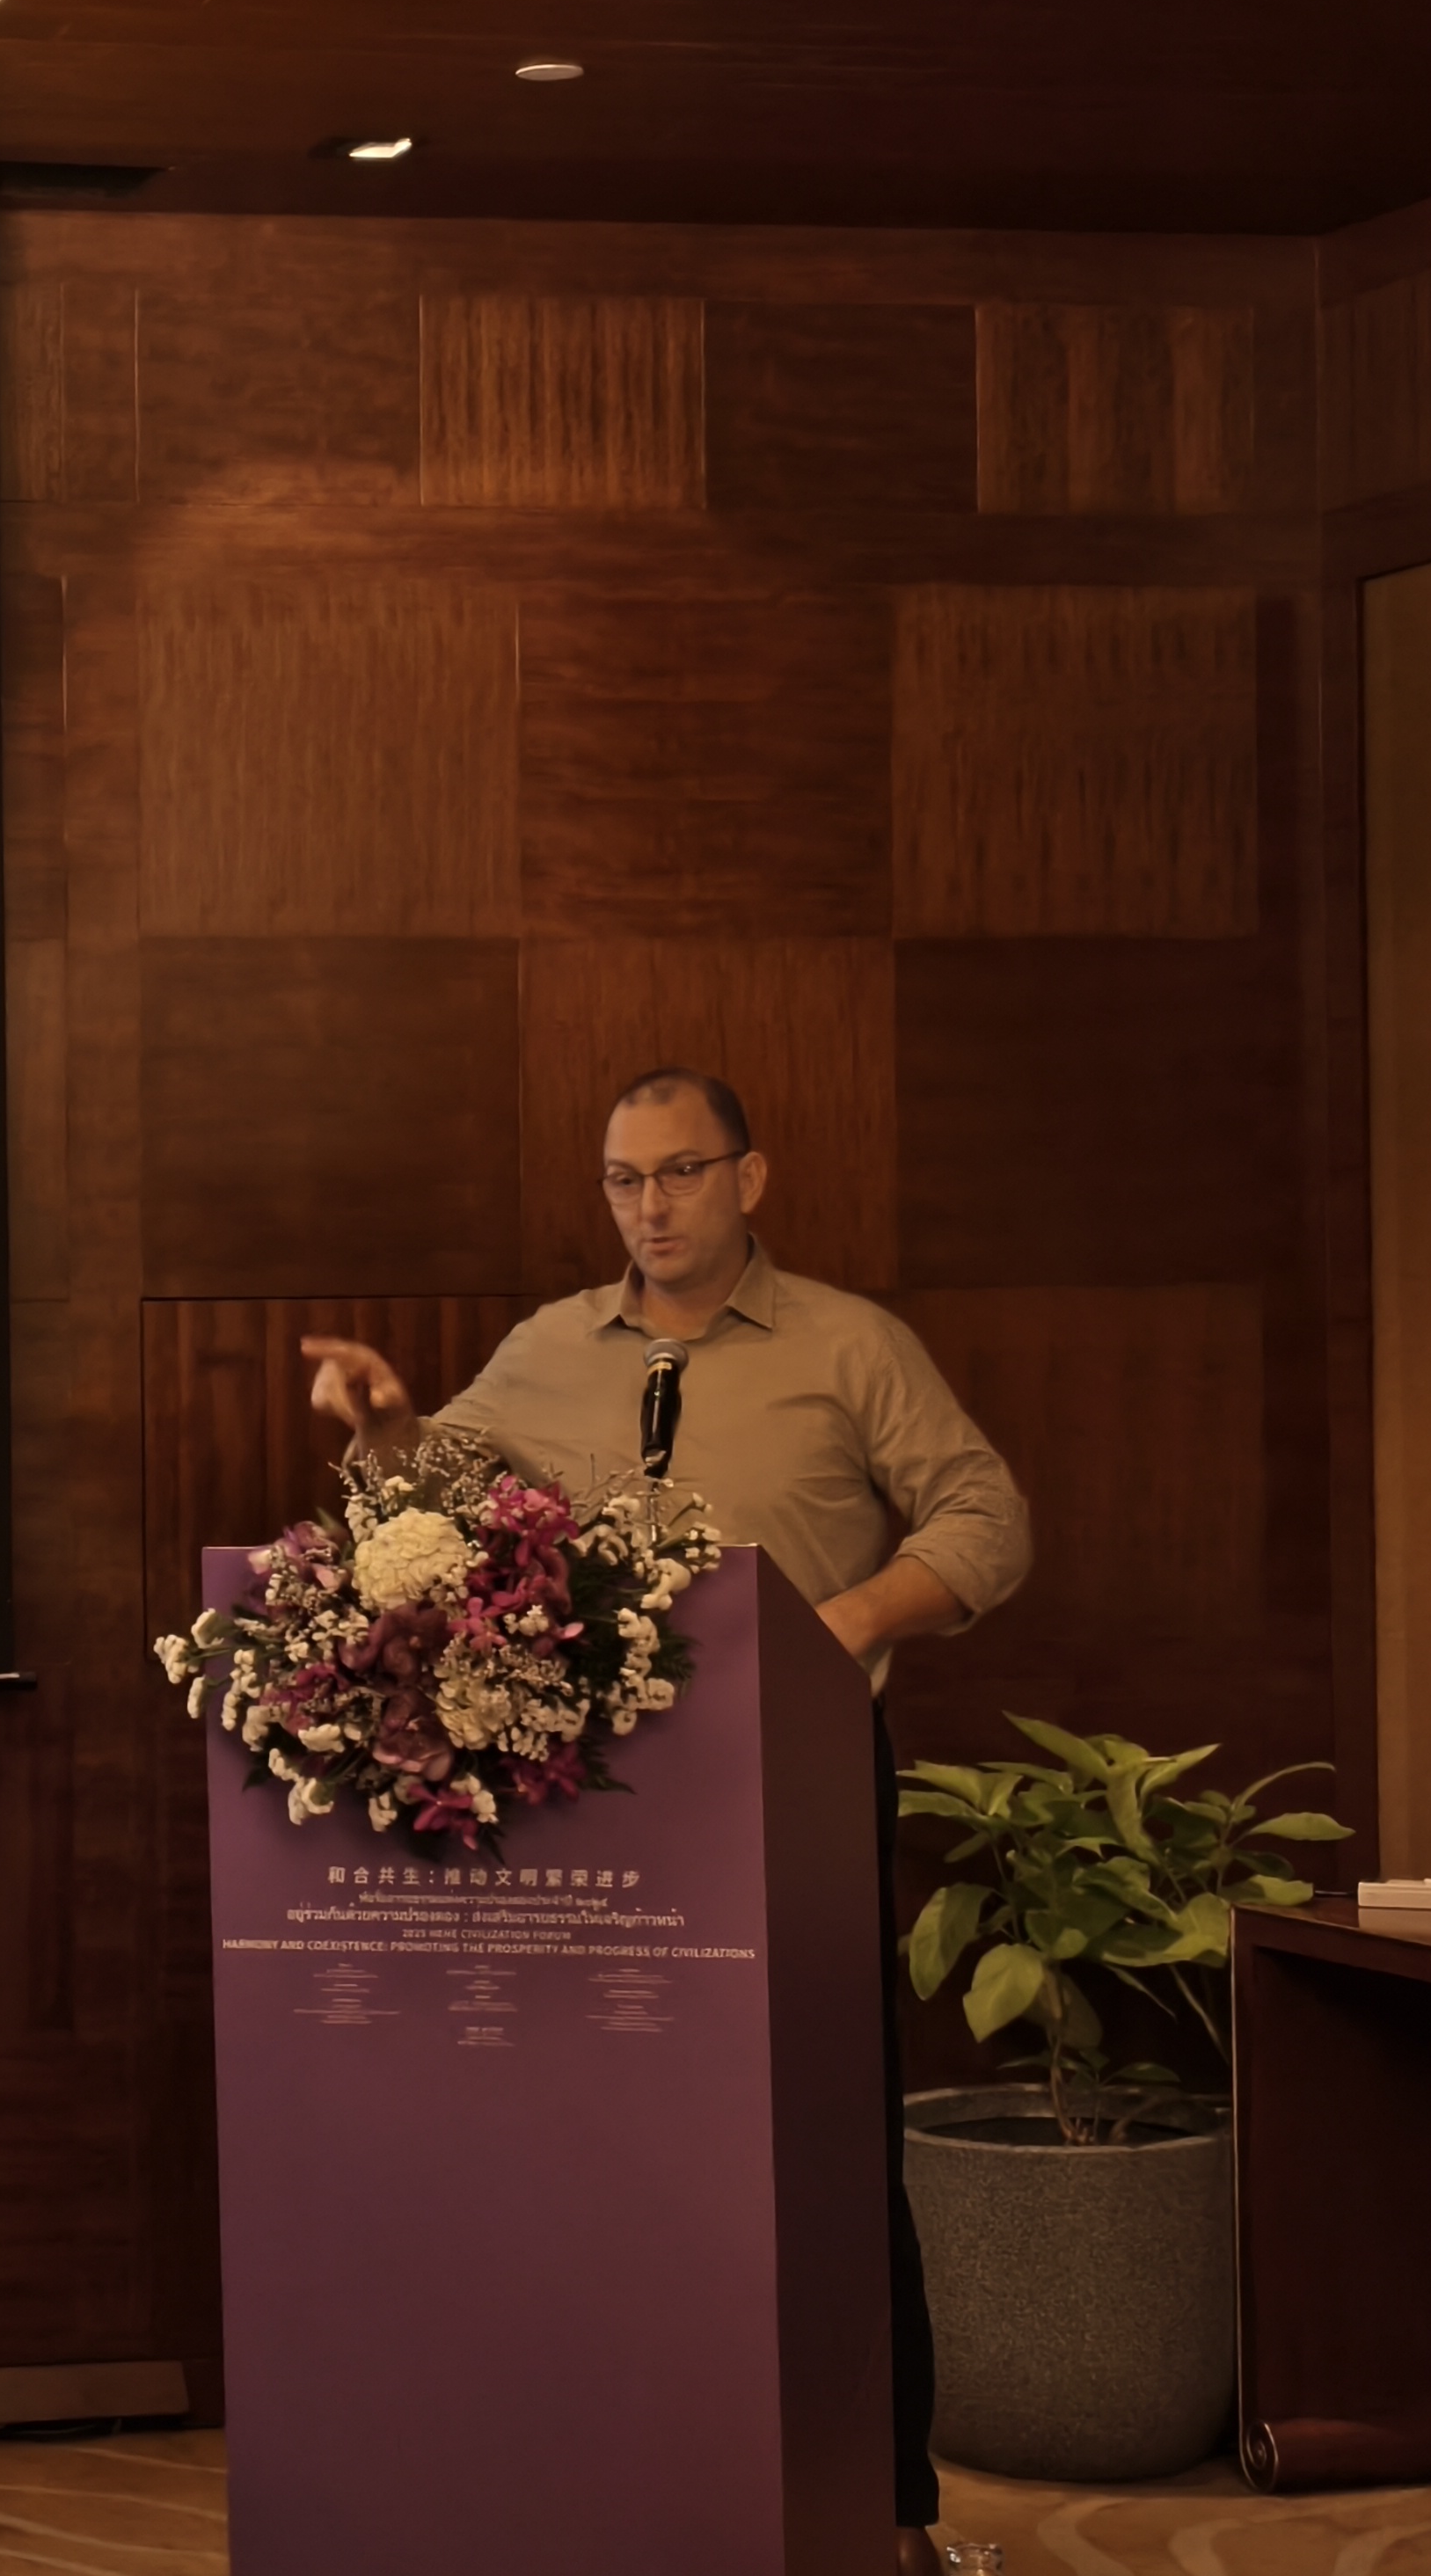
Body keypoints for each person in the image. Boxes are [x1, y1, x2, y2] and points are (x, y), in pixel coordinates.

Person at [303, 1064, 1029, 2576]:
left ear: (749, 1179)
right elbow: (435, 1493)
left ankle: (881, 2514)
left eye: (682, 1172)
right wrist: (387, 1427)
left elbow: (989, 1520)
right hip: (592, 1794)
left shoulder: (848, 1345)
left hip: (796, 1777)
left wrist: (843, 1621)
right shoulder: (551, 1346)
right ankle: (624, 2491)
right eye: (625, 1181)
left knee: (821, 2148)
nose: (652, 1207)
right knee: (612, 2148)